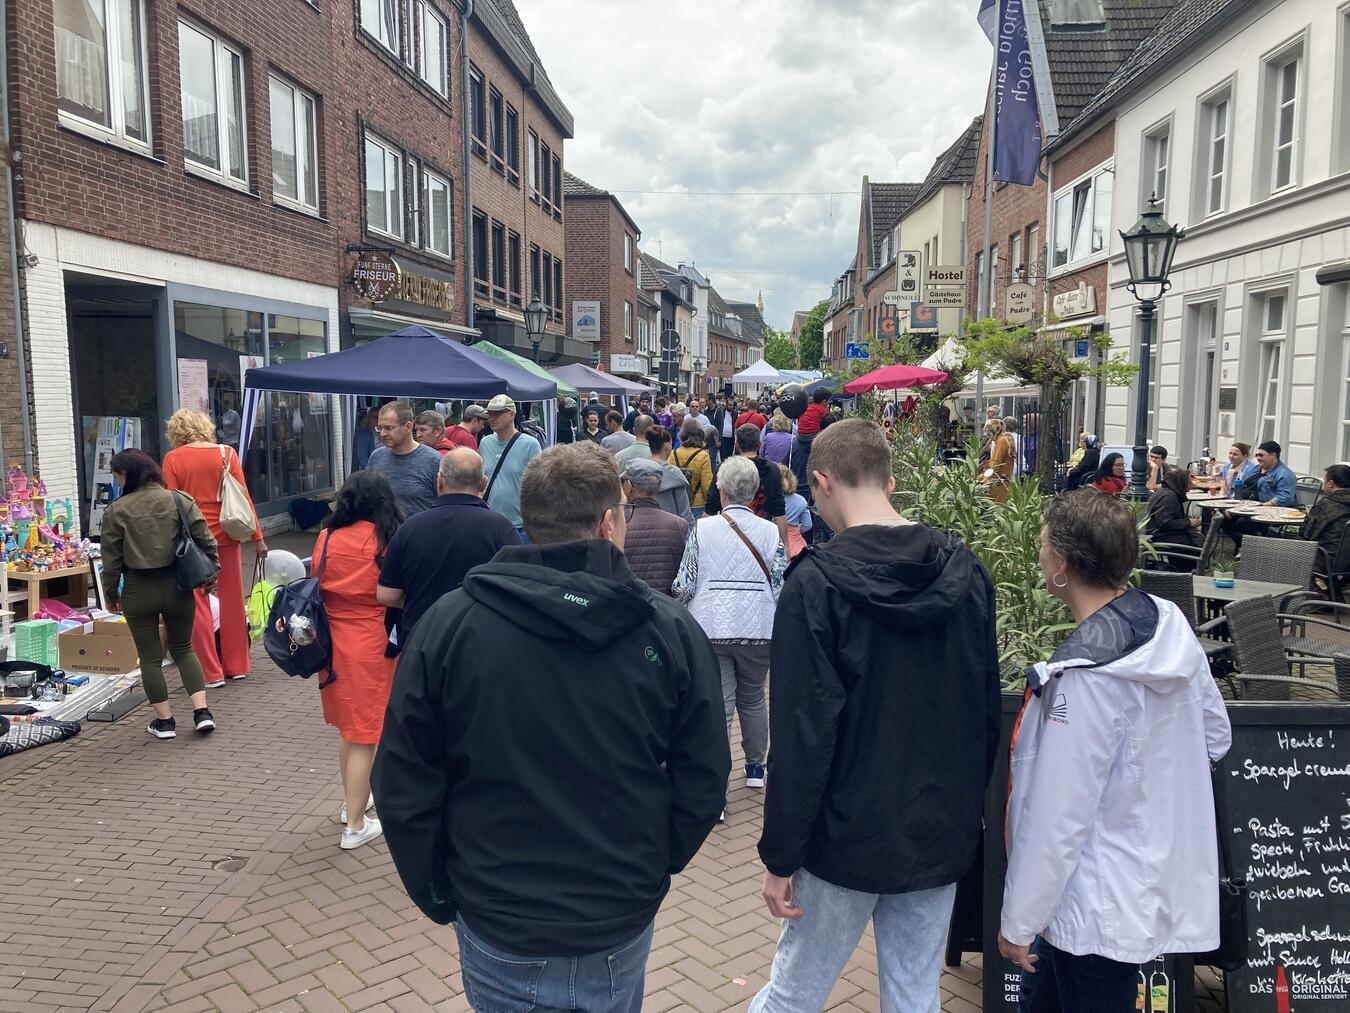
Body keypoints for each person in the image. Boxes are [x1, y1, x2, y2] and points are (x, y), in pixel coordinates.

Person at [373, 442, 729, 1011]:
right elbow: (704, 774)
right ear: (608, 522)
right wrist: (654, 863)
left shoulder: (450, 624)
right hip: (611, 904)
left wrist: (438, 889)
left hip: (500, 907)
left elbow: (403, 776)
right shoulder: (668, 631)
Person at [752, 419, 1000, 1013]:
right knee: (915, 996)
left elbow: (803, 734)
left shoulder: (814, 587)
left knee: (792, 994)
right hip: (934, 827)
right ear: (889, 482)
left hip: (845, 833)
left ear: (821, 481)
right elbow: (985, 711)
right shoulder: (967, 575)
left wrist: (781, 854)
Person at [999, 490, 1231, 1012]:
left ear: (1063, 564)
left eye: (1042, 544)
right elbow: (1216, 736)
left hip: (1091, 898)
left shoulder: (1084, 676)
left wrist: (1018, 921)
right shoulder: (1167, 622)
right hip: (1140, 879)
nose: (1038, 553)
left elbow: (1058, 814)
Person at [674, 456, 786, 796]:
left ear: (721, 490)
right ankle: (755, 768)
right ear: (754, 492)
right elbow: (781, 585)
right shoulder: (771, 532)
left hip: (712, 626)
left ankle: (718, 787)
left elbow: (684, 583)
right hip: (758, 628)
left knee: (720, 705)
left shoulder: (701, 528)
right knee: (753, 698)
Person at [312, 470, 403, 850]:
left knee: (349, 728)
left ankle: (353, 800)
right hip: (370, 640)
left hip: (331, 641)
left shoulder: (327, 536)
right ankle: (354, 824)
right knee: (367, 732)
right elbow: (395, 592)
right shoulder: (385, 540)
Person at [101, 449, 219, 739]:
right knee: (184, 649)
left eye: (117, 475)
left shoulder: (117, 510)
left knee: (150, 658)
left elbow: (111, 560)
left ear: (127, 474)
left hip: (138, 589)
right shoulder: (179, 500)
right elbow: (205, 539)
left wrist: (111, 594)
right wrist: (212, 573)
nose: (117, 481)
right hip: (177, 586)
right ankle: (202, 713)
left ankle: (165, 723)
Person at [162, 408, 266, 688]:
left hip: (193, 539)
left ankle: (210, 672)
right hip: (227, 534)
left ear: (176, 431)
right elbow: (244, 497)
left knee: (198, 603)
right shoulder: (226, 453)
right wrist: (258, 537)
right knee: (232, 601)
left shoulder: (173, 459)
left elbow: (172, 503)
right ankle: (237, 665)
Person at [377, 447, 520, 639]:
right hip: (479, 639)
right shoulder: (502, 529)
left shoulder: (410, 528)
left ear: (440, 480)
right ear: (483, 483)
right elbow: (516, 590)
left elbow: (387, 595)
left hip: (421, 638)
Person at [704, 425, 789, 546]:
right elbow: (779, 510)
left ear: (737, 444)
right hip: (762, 534)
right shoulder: (772, 470)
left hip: (730, 532)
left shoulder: (726, 468)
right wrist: (785, 543)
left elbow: (711, 506)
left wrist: (703, 535)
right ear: (759, 444)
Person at [620, 458, 689, 596]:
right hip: (667, 604)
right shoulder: (679, 524)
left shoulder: (619, 523)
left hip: (628, 601)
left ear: (629, 485)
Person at [478, 394, 543, 539]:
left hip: (521, 526)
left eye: (497, 414)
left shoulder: (530, 444)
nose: (491, 418)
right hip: (490, 524)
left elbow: (539, 484)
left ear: (512, 415)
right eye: (489, 414)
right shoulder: (485, 443)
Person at [366, 401, 442, 517]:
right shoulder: (376, 457)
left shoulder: (434, 461)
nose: (382, 434)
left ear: (408, 427)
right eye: (379, 428)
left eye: (389, 428)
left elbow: (445, 505)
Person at [1145, 468, 1201, 560]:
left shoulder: (1167, 492)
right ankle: (1188, 566)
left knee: (1195, 536)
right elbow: (1164, 523)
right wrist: (1188, 522)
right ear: (1181, 483)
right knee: (1195, 539)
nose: (1192, 485)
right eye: (1189, 482)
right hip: (1158, 536)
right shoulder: (1169, 497)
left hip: (1160, 534)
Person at [645, 425, 694, 524]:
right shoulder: (674, 474)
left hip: (644, 526)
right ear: (667, 446)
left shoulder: (640, 471)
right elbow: (684, 512)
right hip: (671, 528)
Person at [1302, 464, 1350, 562]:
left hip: (1325, 559)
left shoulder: (1326, 505)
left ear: (1330, 483)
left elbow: (1307, 535)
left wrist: (1310, 516)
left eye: (1324, 480)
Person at [790, 388, 832, 496]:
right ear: (824, 401)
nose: (828, 403)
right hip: (813, 437)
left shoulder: (806, 408)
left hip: (800, 436)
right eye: (828, 401)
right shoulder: (823, 411)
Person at [672, 420, 714, 516]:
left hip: (678, 502)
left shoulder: (673, 454)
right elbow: (706, 485)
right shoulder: (703, 455)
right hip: (697, 503)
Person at [780, 464, 812, 558]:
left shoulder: (767, 499)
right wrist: (795, 529)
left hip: (773, 540)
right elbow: (808, 525)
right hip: (796, 544)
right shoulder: (801, 500)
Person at [1253, 440, 1298, 505]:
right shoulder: (1255, 469)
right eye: (1256, 455)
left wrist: (1261, 506)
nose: (1258, 458)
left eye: (1261, 455)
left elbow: (1285, 498)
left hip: (1273, 509)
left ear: (1273, 455)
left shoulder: (1284, 474)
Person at [983, 418, 1015, 503]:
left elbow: (996, 464)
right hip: (1001, 479)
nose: (988, 436)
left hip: (999, 481)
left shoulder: (1001, 441)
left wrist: (985, 479)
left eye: (989, 433)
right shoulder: (1002, 439)